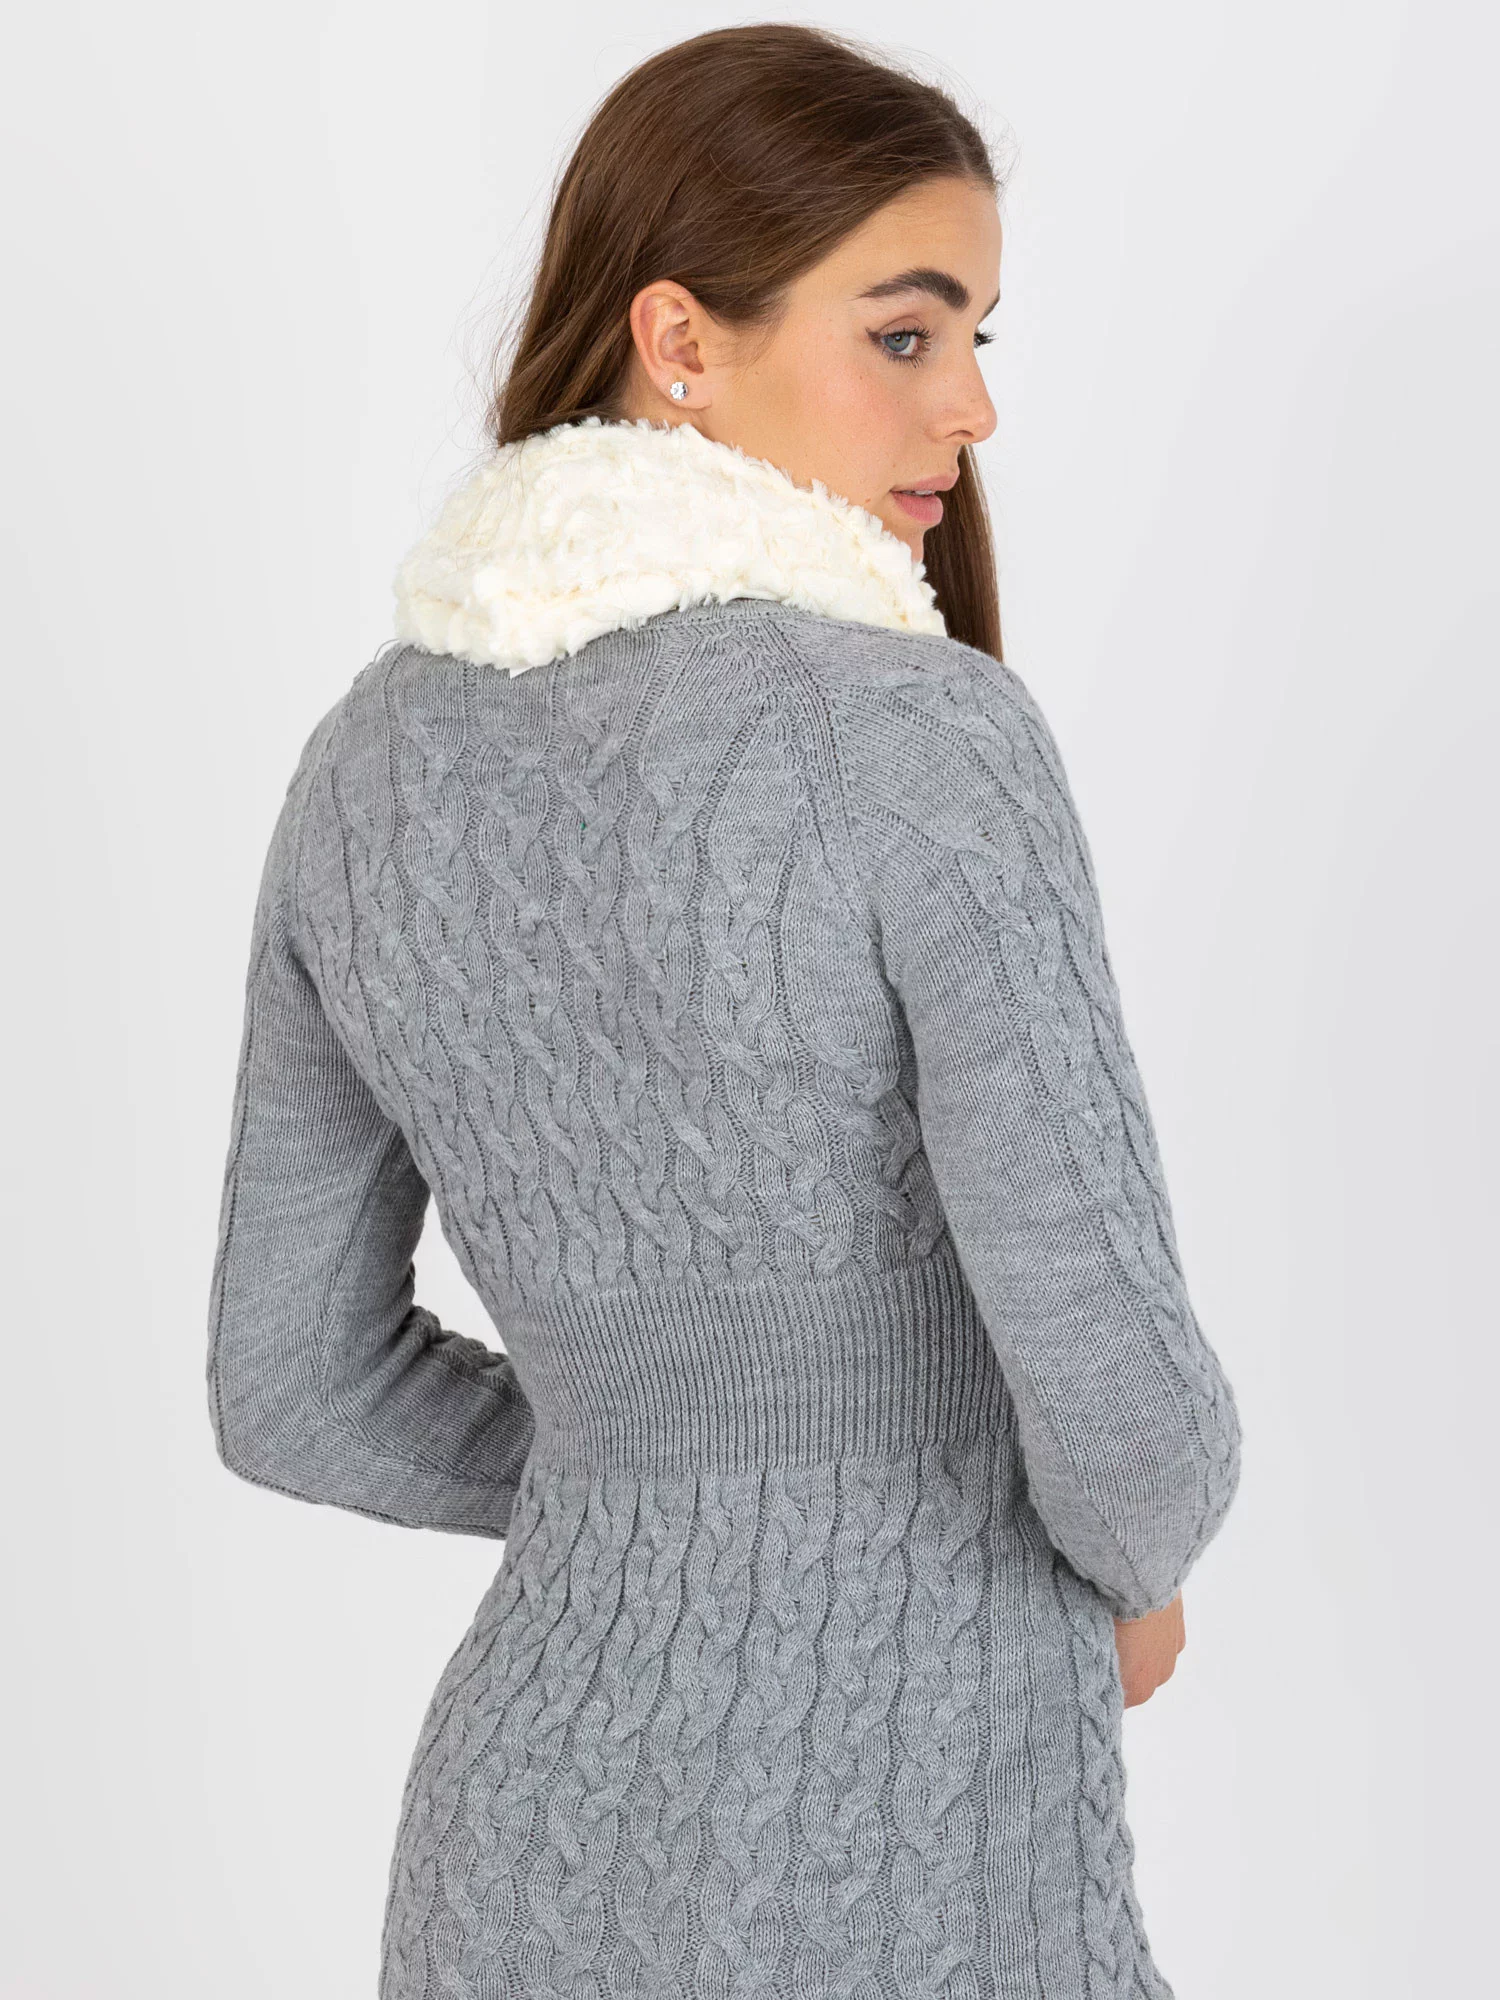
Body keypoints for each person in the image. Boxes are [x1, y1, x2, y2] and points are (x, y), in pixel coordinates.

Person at [205, 23, 1243, 1998]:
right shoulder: (917, 736)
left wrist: (649, 1471)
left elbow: (293, 1389)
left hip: (516, 1845)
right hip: (905, 1824)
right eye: (907, 333)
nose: (972, 408)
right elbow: (1127, 1427)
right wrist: (1129, 1553)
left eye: (979, 339)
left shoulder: (363, 770)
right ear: (679, 339)